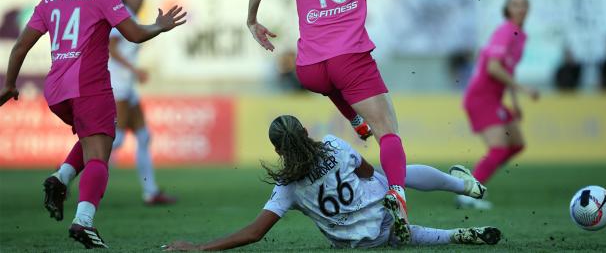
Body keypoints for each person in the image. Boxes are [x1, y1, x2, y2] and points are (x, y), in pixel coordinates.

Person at [246, 0, 478, 243]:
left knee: (330, 82)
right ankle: (397, 196)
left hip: (309, 69)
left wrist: (252, 21)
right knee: (389, 133)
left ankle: (354, 118)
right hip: (349, 59)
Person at [0, 0, 186, 248]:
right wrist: (161, 26)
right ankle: (83, 221)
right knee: (100, 155)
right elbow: (134, 35)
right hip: (89, 87)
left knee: (92, 138)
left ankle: (60, 178)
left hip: (56, 92)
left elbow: (18, 48)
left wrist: (9, 85)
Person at [164, 115, 500, 251]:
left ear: (277, 149)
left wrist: (199, 249)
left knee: (399, 237)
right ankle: (462, 185)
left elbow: (254, 233)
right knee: (391, 175)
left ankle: (454, 235)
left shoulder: (287, 187)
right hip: (378, 206)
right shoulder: (333, 145)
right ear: (305, 133)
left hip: (357, 241)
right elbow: (369, 173)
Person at [460, 0, 539, 210]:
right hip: (481, 97)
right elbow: (494, 68)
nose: (520, 8)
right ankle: (468, 192)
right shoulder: (506, 31)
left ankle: (479, 176)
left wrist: (514, 103)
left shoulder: (520, 36)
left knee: (516, 144)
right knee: (499, 148)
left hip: (495, 98)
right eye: (515, 4)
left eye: (524, 4)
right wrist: (523, 89)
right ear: (507, 9)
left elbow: (508, 70)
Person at [108, 0, 177, 205]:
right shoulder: (122, 15)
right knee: (115, 141)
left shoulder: (130, 18)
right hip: (117, 84)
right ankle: (66, 172)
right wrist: (134, 69)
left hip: (126, 86)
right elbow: (111, 47)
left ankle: (151, 191)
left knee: (143, 136)